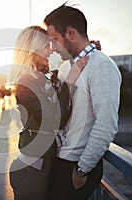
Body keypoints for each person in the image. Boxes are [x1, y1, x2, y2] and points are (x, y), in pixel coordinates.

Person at [44, 3, 122, 200]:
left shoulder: (102, 66)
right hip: (60, 160)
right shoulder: (65, 68)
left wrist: (82, 170)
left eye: (54, 40)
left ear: (70, 33)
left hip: (76, 166)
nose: (52, 48)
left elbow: (106, 125)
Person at [8, 26, 88, 200]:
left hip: (41, 166)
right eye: (45, 46)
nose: (50, 50)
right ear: (32, 49)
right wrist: (69, 83)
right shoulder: (25, 83)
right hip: (31, 170)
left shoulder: (41, 77)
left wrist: (86, 49)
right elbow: (53, 120)